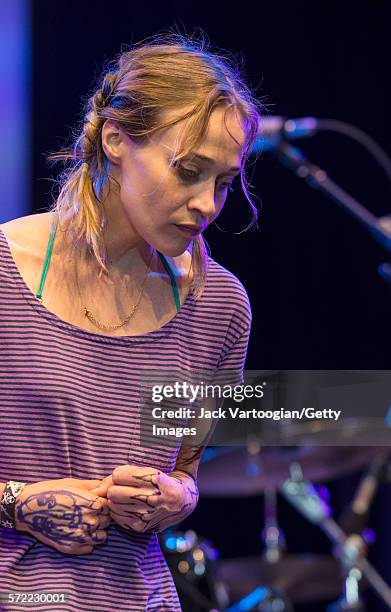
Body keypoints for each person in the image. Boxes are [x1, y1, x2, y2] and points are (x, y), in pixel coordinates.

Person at [0, 34, 261, 611]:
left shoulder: (219, 306)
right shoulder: (5, 273)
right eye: (189, 171)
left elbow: (189, 473)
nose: (208, 205)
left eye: (222, 182)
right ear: (116, 139)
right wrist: (15, 501)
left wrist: (175, 497)